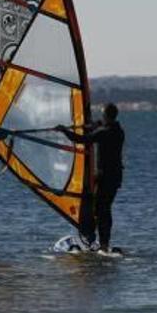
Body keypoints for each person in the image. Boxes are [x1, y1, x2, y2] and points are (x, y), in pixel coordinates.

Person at [55, 102, 125, 252]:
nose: (102, 117)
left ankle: (103, 244)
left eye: (103, 115)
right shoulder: (118, 131)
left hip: (106, 177)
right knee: (103, 209)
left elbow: (82, 140)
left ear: (106, 116)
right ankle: (103, 243)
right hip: (115, 176)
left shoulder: (103, 133)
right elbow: (100, 126)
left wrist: (64, 131)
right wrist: (92, 125)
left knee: (102, 210)